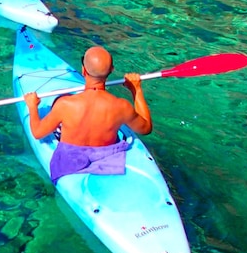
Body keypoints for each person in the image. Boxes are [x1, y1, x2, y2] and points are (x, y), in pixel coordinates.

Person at [24, 46, 152, 183]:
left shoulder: (65, 104)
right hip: (107, 159)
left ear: (83, 70)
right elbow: (146, 128)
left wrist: (32, 106)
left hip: (69, 163)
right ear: (111, 70)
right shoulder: (122, 106)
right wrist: (136, 89)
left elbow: (37, 132)